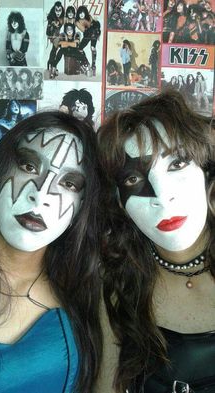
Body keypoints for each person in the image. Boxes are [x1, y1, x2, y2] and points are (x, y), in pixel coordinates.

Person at [97, 90, 215, 393]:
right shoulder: (114, 285)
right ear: (119, 203)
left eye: (177, 164)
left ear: (205, 170)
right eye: (133, 180)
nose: (163, 198)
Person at [0, 110, 102, 392]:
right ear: (0, 168)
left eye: (69, 183)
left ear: (82, 206)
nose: (41, 194)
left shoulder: (89, 294)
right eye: (29, 167)